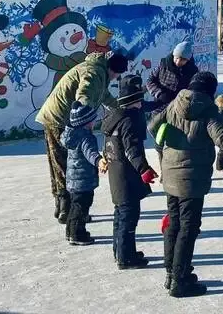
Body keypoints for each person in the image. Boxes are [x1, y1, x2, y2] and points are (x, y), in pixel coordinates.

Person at [149, 71, 223, 298]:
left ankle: (172, 273)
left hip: (169, 172)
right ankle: (180, 280)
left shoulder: (174, 104)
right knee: (188, 227)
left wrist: (169, 142)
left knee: (174, 223)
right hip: (192, 178)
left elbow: (152, 127)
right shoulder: (209, 112)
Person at [36, 50, 127, 224]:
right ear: (114, 71)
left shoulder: (100, 71)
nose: (115, 78)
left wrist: (120, 110)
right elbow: (84, 94)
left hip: (65, 118)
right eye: (117, 75)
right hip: (59, 118)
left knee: (61, 163)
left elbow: (104, 96)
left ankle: (63, 208)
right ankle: (67, 210)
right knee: (65, 163)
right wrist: (85, 122)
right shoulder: (94, 72)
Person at [101, 75, 158, 269]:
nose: (142, 104)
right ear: (134, 100)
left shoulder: (114, 116)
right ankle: (126, 257)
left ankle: (121, 251)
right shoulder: (128, 121)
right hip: (127, 175)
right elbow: (131, 148)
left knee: (120, 214)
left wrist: (104, 159)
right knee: (128, 216)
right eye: (139, 100)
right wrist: (144, 170)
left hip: (117, 173)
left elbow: (108, 146)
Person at [60, 102, 104, 246]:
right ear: (86, 122)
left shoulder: (72, 136)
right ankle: (77, 234)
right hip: (83, 180)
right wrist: (99, 161)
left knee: (74, 205)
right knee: (81, 207)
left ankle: (69, 231)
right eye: (92, 120)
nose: (94, 123)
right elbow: (90, 153)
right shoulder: (86, 137)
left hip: (73, 180)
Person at [146, 41, 199, 113]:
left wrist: (183, 98)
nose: (178, 62)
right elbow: (150, 80)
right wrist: (159, 93)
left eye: (183, 59)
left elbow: (195, 90)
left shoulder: (193, 71)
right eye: (176, 58)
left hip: (179, 110)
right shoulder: (163, 64)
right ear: (173, 55)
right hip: (159, 107)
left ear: (188, 60)